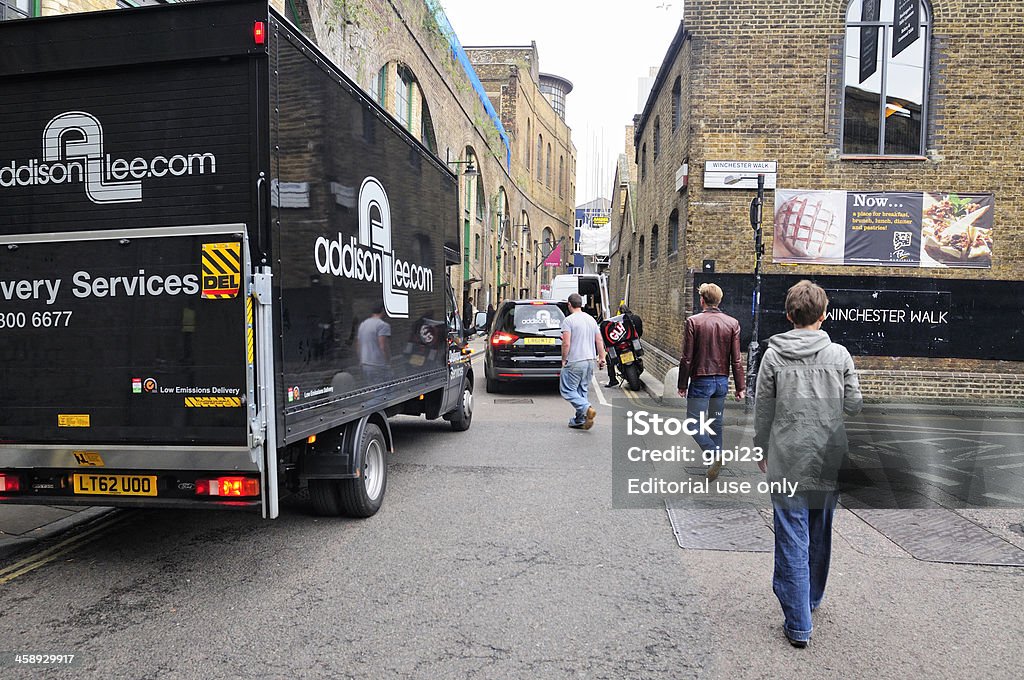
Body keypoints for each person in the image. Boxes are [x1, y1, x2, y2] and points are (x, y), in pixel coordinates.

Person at [754, 280, 862, 648]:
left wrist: (760, 447)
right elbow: (854, 405)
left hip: (787, 459)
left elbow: (763, 410)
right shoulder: (840, 356)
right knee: (818, 532)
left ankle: (799, 621)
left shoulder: (773, 355)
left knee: (791, 536)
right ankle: (810, 599)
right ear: (824, 315)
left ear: (789, 315)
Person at [676, 282, 745, 480]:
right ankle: (714, 463)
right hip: (722, 382)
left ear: (702, 300)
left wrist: (682, 384)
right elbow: (737, 359)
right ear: (719, 300)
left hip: (701, 380)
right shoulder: (732, 323)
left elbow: (687, 357)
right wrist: (740, 387)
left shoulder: (693, 322)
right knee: (715, 423)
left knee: (692, 424)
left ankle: (714, 454)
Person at [560, 292, 606, 430]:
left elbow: (566, 343)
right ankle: (580, 419)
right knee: (582, 390)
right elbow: (599, 340)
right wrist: (602, 358)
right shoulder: (591, 320)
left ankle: (587, 409)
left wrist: (564, 360)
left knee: (567, 390)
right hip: (590, 360)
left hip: (575, 360)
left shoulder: (569, 320)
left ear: (569, 304)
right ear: (581, 304)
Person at [605, 302, 644, 388]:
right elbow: (640, 331)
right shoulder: (636, 318)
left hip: (621, 346)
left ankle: (613, 380)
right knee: (638, 356)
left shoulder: (616, 322)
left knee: (609, 359)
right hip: (633, 344)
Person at [357, 303, 392, 386]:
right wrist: (388, 361)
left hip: (366, 364)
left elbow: (358, 345)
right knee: (387, 392)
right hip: (378, 364)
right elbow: (383, 346)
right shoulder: (382, 325)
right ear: (383, 311)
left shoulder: (363, 324)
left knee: (375, 390)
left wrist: (361, 360)